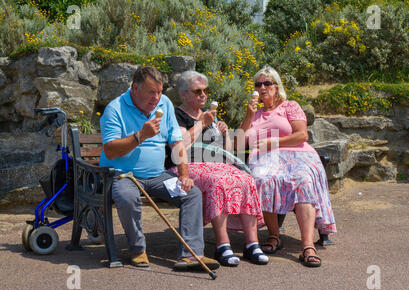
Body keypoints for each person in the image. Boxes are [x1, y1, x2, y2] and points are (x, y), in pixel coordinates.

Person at [99, 66, 219, 271]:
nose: (156, 98)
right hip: (124, 175)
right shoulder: (115, 108)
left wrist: (184, 174)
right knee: (127, 197)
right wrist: (140, 136)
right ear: (135, 88)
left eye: (159, 92)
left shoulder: (165, 104)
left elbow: (176, 143)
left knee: (192, 194)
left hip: (157, 175)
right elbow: (110, 151)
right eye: (151, 92)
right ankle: (137, 250)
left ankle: (191, 254)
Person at [237, 65, 336, 267]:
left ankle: (307, 245)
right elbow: (239, 143)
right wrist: (248, 116)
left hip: (297, 155)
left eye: (267, 83)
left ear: (276, 86)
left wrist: (273, 143)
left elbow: (302, 135)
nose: (262, 87)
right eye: (258, 84)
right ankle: (274, 236)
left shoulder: (289, 106)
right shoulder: (253, 113)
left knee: (302, 180)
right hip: (265, 159)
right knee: (261, 179)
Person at [166, 70, 268, 266]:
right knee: (218, 181)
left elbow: (228, 153)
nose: (203, 95)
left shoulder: (210, 116)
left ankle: (252, 243)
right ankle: (223, 245)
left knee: (246, 178)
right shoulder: (176, 115)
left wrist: (223, 134)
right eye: (197, 91)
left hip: (216, 164)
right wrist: (201, 124)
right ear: (184, 94)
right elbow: (180, 146)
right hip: (186, 167)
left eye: (205, 91)